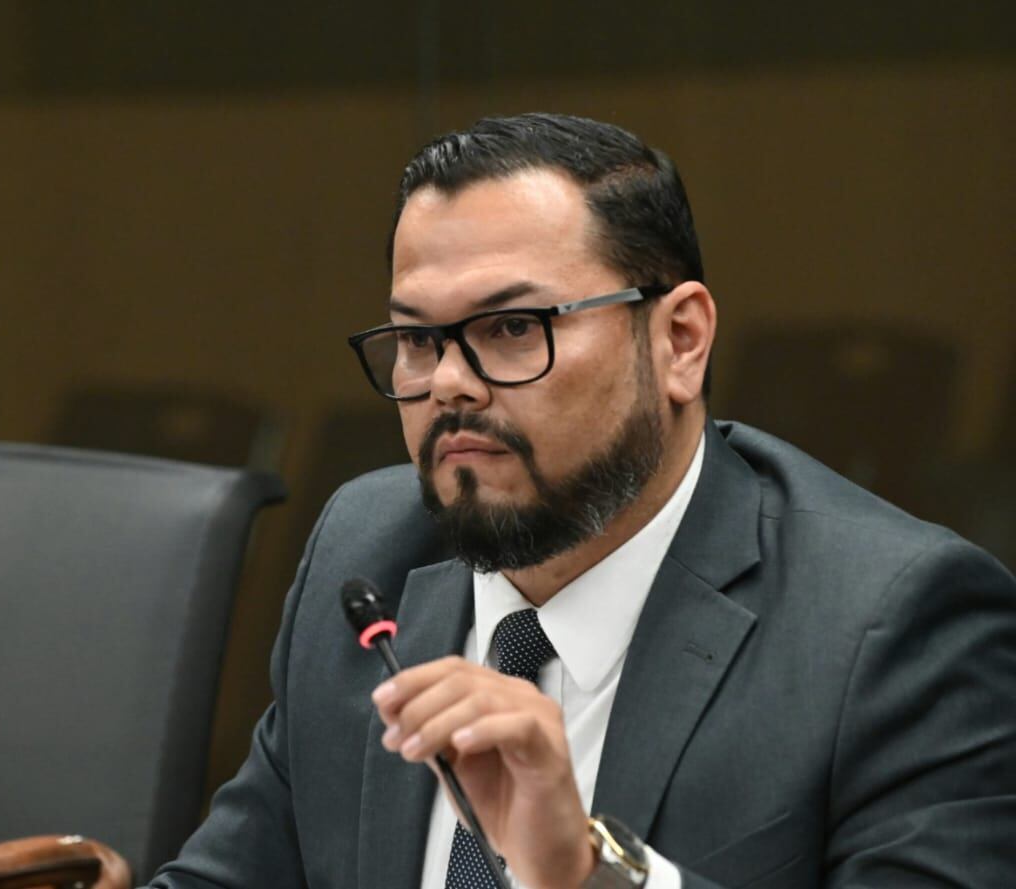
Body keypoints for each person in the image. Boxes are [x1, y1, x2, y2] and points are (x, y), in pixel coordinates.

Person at [149, 113, 1016, 888]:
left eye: (513, 328)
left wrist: (592, 874)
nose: (449, 381)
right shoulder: (369, 549)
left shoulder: (891, 623)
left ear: (681, 340)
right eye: (418, 339)